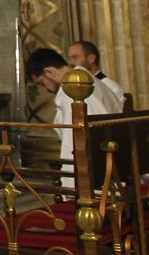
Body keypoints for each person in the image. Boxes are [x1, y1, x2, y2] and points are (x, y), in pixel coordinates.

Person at [25, 46, 125, 182]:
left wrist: (71, 186)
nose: (46, 90)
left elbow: (74, 143)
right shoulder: (88, 79)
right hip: (116, 164)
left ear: (49, 72)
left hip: (99, 178)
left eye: (42, 83)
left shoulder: (72, 90)